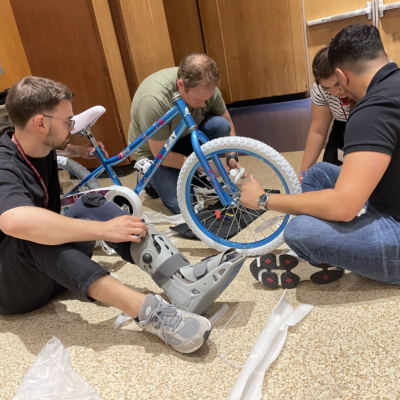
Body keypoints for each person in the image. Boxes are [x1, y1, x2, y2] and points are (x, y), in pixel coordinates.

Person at [0, 76, 245, 354]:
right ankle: (149, 312)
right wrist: (103, 231)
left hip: (50, 274)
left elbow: (53, 146)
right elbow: (14, 221)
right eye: (67, 121)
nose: (72, 127)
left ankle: (180, 279)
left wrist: (77, 150)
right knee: (33, 237)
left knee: (92, 202)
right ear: (40, 123)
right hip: (13, 288)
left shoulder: (32, 139)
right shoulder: (4, 164)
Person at [241, 24, 400, 289]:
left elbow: (344, 207)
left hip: (394, 224)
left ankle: (320, 254)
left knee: (299, 232)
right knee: (320, 172)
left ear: (342, 75)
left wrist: (263, 199)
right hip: (391, 195)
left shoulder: (372, 109)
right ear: (384, 52)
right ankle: (334, 248)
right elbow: (319, 130)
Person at [128, 53, 238, 214]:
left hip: (185, 137)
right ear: (180, 84)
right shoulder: (153, 100)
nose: (202, 105)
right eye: (198, 100)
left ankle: (188, 171)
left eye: (206, 99)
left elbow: (228, 124)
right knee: (182, 206)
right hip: (155, 153)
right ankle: (152, 180)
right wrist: (202, 165)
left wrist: (232, 158)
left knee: (220, 125)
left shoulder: (207, 89)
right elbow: (161, 154)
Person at [299, 46, 354, 182]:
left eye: (337, 84)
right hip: (341, 125)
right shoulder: (319, 89)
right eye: (327, 88)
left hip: (368, 126)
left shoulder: (359, 81)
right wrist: (303, 175)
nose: (335, 92)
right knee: (328, 173)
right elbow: (318, 130)